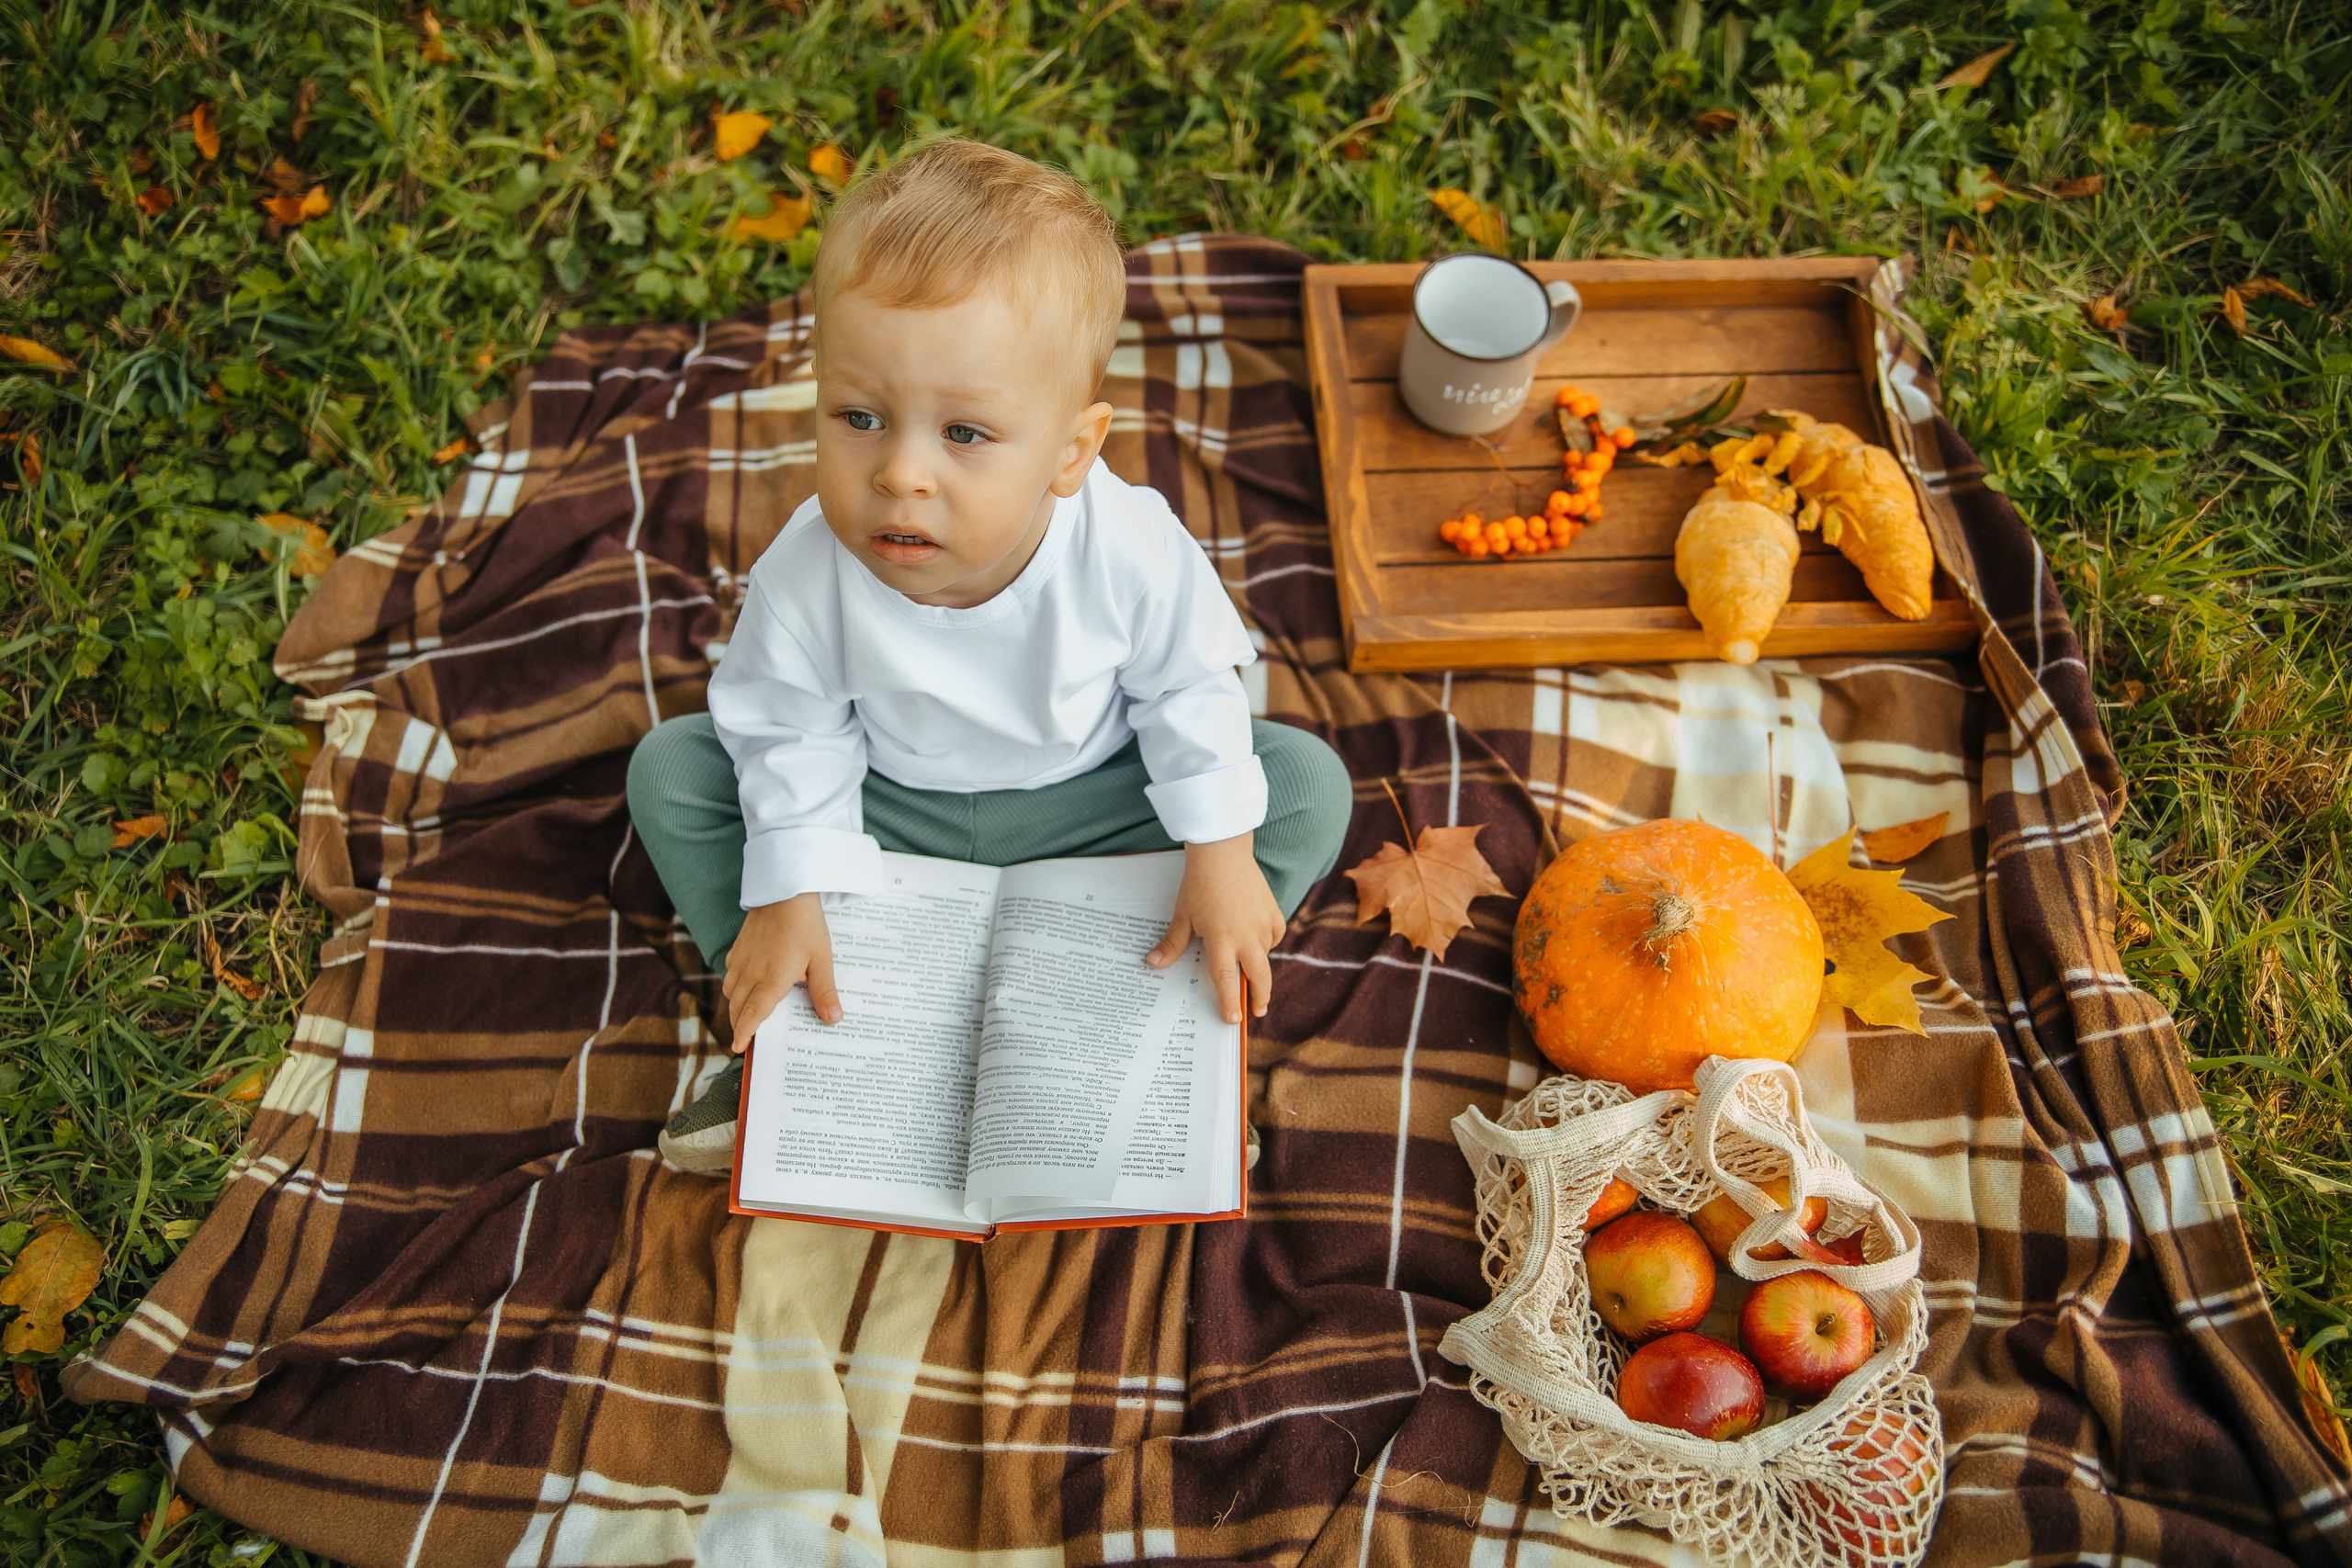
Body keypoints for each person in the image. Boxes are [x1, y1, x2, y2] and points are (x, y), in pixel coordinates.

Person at [627, 138, 1354, 1174]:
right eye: (858, 417)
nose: (900, 474)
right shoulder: (808, 569)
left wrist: (1220, 857)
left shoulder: (1129, 547)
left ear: (1070, 451)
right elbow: (787, 728)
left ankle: (1153, 1046)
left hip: (1092, 797)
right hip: (890, 805)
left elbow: (1190, 690)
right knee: (674, 770)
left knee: (1299, 783)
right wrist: (787, 889)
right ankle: (784, 1030)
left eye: (964, 433)